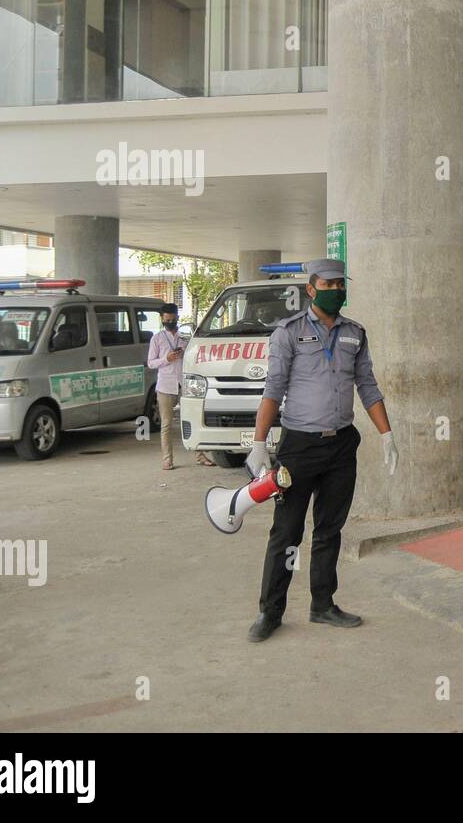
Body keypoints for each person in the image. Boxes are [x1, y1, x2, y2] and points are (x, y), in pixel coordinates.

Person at [244, 259, 399, 643]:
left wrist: (386, 434)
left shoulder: (355, 333)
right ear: (311, 290)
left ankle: (323, 604)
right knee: (287, 532)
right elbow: (273, 389)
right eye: (328, 285)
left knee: (330, 529)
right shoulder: (288, 333)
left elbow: (367, 385)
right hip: (299, 447)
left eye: (340, 285)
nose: (336, 291)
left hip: (341, 445)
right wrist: (259, 442)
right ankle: (270, 611)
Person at [146, 303, 214, 470]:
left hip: (184, 384)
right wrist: (166, 359)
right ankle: (167, 459)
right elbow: (150, 363)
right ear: (162, 319)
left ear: (177, 318)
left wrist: (184, 354)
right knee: (167, 424)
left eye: (172, 319)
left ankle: (199, 455)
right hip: (165, 386)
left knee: (192, 420)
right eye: (166, 320)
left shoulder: (184, 338)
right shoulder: (157, 339)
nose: (170, 322)